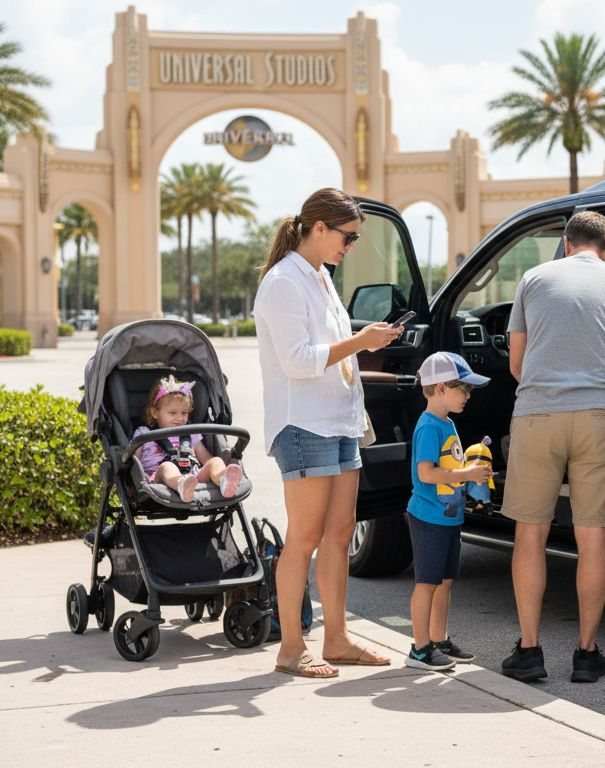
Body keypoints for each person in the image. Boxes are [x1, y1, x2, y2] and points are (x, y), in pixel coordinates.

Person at [254, 187, 403, 679]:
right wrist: (361, 341)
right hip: (304, 423)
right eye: (348, 236)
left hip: (337, 419)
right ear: (319, 228)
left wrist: (366, 342)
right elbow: (298, 361)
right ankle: (291, 648)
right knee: (305, 538)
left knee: (340, 534)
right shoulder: (283, 282)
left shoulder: (320, 277)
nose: (351, 246)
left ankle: (335, 639)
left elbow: (330, 350)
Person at [501, 210, 605, 684]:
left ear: (567, 243)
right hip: (601, 416)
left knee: (530, 534)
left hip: (537, 413)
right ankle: (586, 654)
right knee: (594, 538)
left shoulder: (532, 278)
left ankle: (528, 651)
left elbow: (517, 365)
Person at [403, 351, 492, 671]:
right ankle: (420, 648)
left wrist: (471, 470)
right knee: (427, 583)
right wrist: (466, 476)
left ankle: (439, 640)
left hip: (447, 516)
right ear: (440, 388)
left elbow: (447, 466)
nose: (468, 396)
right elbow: (426, 473)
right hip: (428, 517)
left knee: (444, 581)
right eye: (463, 389)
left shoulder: (447, 423)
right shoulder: (429, 427)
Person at [134, 375, 244, 502]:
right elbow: (133, 462)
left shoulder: (191, 433)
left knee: (216, 461)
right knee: (167, 467)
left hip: (193, 478)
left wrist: (214, 465)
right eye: (173, 413)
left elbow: (206, 459)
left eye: (184, 413)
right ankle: (180, 484)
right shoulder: (144, 433)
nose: (180, 418)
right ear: (155, 413)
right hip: (158, 480)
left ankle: (224, 481)